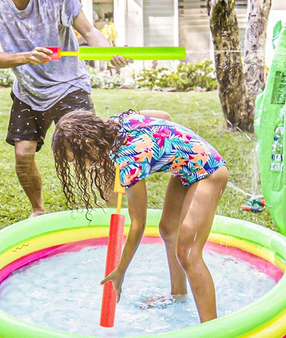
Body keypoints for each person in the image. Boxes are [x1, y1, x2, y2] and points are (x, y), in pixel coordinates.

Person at [0, 0, 130, 218]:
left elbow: (90, 31)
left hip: (69, 84)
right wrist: (24, 57)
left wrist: (108, 54)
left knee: (91, 151)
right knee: (23, 154)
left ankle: (118, 215)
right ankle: (38, 211)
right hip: (29, 90)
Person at [51, 109, 228, 323]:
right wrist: (174, 147)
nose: (84, 166)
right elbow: (165, 117)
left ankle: (211, 328)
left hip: (209, 170)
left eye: (79, 160)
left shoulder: (130, 160)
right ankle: (178, 295)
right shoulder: (118, 122)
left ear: (88, 144)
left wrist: (120, 271)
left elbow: (138, 223)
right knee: (168, 229)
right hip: (186, 168)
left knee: (187, 251)